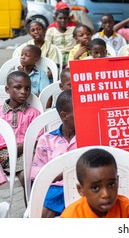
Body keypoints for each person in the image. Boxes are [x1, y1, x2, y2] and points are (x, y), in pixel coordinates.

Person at [30, 89, 76, 218]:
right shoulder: (47, 139)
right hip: (55, 188)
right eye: (79, 112)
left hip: (82, 186)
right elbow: (35, 172)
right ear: (64, 115)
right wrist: (55, 174)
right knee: (43, 213)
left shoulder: (89, 137)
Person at [60, 148, 129, 218]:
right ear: (81, 190)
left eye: (111, 184)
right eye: (95, 188)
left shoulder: (126, 208)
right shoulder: (71, 216)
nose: (106, 194)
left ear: (117, 182)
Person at [0, 72, 41, 198]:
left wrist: (21, 146)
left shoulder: (33, 113)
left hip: (22, 153)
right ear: (8, 89)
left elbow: (38, 138)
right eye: (18, 87)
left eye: (27, 88)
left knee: (27, 177)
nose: (23, 91)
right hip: (2, 152)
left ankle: (30, 211)